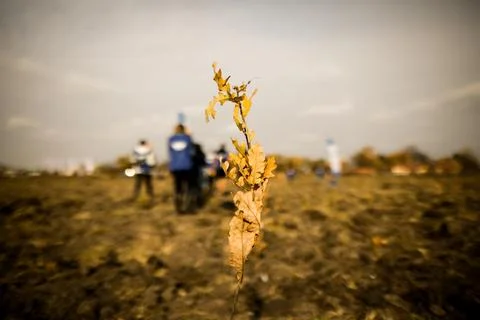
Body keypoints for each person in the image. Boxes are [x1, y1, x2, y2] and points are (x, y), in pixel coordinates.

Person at [168, 124, 194, 213]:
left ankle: (177, 208)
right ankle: (186, 207)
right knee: (187, 187)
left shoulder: (171, 139)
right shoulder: (187, 138)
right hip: (186, 166)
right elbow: (191, 150)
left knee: (177, 188)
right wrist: (189, 134)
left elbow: (170, 152)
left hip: (175, 167)